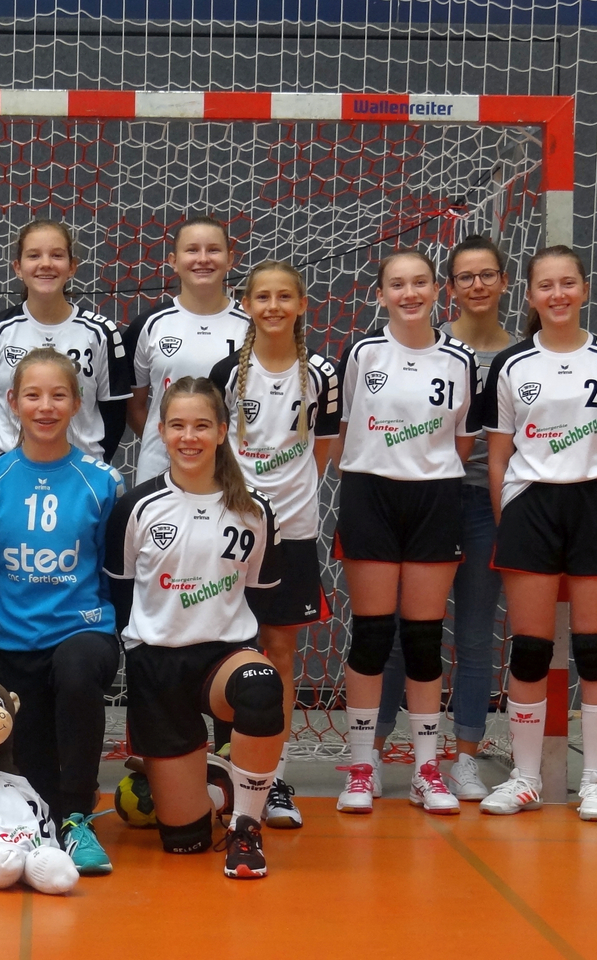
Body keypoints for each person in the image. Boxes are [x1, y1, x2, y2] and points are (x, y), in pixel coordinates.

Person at [479, 246, 597, 821]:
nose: (558, 294)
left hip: (596, 506)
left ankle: (596, 783)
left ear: (584, 289)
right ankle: (525, 778)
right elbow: (497, 455)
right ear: (530, 294)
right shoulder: (511, 364)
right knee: (530, 650)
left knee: (595, 651)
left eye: (567, 283)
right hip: (530, 506)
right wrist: (511, 512)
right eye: (546, 285)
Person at [105, 377, 286, 879]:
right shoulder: (136, 507)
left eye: (202, 425)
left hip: (224, 658)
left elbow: (259, 596)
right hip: (156, 666)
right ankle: (210, 781)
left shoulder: (254, 510)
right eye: (178, 425)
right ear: (161, 431)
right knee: (184, 842)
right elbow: (120, 595)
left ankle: (246, 826)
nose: (189, 437)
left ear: (223, 431)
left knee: (261, 685)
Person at [330, 248, 480, 816]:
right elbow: (342, 431)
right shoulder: (362, 353)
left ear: (438, 290)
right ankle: (361, 766)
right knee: (371, 635)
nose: (409, 293)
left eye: (420, 282)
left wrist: (422, 469)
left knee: (422, 638)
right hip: (370, 495)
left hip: (435, 498)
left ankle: (426, 770)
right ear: (381, 294)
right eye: (397, 284)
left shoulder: (461, 359)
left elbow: (461, 441)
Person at [0, 347, 124, 875]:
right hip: (15, 643)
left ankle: (79, 818)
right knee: (37, 792)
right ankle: (52, 813)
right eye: (32, 395)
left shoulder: (102, 481)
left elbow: (113, 570)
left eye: (59, 395)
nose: (46, 406)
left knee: (76, 669)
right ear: (12, 402)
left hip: (83, 632)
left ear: (78, 403)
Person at [372, 236, 514, 800]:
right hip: (426, 501)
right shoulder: (426, 345)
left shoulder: (522, 354)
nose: (477, 285)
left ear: (504, 281)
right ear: (447, 288)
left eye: (487, 274)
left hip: (484, 504)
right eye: (466, 276)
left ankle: (465, 760)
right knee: (398, 635)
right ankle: (372, 753)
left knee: (475, 637)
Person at [209, 261, 340, 829]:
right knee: (229, 649)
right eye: (262, 297)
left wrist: (288, 502)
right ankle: (225, 770)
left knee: (279, 653)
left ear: (302, 304)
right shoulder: (225, 372)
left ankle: (271, 778)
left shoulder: (322, 374)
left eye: (285, 296)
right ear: (246, 304)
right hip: (235, 530)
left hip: (295, 530)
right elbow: (215, 449)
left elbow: (323, 448)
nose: (273, 307)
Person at [0, 218, 130, 464]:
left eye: (57, 255)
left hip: (80, 470)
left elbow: (114, 418)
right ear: (18, 267)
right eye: (34, 256)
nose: (45, 264)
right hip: (7, 468)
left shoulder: (101, 332)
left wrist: (84, 466)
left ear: (72, 267)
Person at [126, 215, 251, 484]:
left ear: (230, 259)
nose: (203, 259)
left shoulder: (252, 327)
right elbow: (134, 407)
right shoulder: (149, 325)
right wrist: (178, 443)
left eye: (213, 250)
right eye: (192, 250)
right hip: (160, 468)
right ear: (173, 260)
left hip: (234, 469)